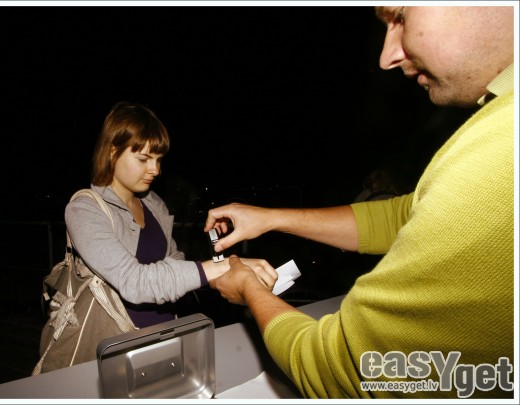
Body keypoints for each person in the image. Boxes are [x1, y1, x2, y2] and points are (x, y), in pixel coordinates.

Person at [205, 6, 514, 399]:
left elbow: (344, 369)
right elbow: (404, 216)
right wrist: (269, 218)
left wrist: (250, 289)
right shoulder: (497, 119)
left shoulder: (502, 148)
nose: (387, 57)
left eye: (400, 17)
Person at [38, 101, 276, 372]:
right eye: (143, 159)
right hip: (111, 346)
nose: (155, 170)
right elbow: (134, 282)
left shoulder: (154, 204)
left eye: (158, 159)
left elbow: (174, 265)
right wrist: (217, 268)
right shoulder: (84, 209)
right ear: (113, 151)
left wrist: (230, 271)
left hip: (163, 336)